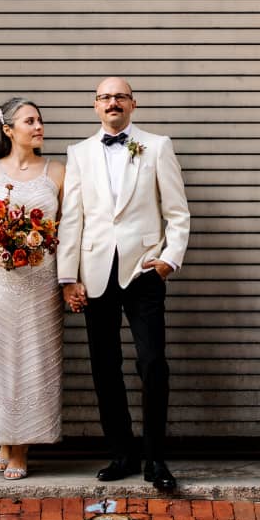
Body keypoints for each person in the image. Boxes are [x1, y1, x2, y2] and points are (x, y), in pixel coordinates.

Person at [57, 77, 190, 492]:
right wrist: (67, 277)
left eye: (120, 96)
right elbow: (73, 218)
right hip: (95, 273)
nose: (112, 102)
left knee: (152, 363)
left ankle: (155, 458)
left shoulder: (157, 145)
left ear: (133, 103)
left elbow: (177, 212)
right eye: (104, 97)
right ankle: (122, 452)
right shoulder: (78, 153)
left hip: (143, 272)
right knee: (104, 367)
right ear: (94, 106)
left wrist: (168, 260)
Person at [0, 97, 65, 479]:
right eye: (30, 121)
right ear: (8, 130)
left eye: (40, 121)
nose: (39, 127)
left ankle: (21, 447)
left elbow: (69, 229)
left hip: (40, 282)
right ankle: (5, 437)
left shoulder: (57, 172)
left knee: (33, 361)